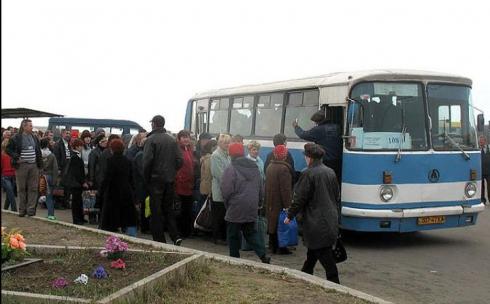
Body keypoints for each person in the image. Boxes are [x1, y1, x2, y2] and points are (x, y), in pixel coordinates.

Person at [284, 143, 340, 284]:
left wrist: (290, 215)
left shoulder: (308, 173)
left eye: (305, 156)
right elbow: (336, 195)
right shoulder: (330, 172)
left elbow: (300, 198)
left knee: (324, 254)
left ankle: (336, 285)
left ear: (309, 158)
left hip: (316, 221)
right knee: (312, 254)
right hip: (330, 218)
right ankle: (305, 276)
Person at [220, 142, 271, 264]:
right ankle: (263, 255)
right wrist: (259, 202)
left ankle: (234, 258)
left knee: (233, 234)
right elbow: (261, 187)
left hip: (236, 206)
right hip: (252, 205)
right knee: (250, 233)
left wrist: (227, 203)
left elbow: (226, 190)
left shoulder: (231, 168)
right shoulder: (255, 168)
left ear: (231, 154)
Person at [143, 115, 183, 245]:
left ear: (154, 124)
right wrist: (172, 171)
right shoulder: (172, 140)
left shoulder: (151, 140)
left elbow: (147, 162)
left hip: (155, 180)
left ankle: (160, 240)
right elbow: (179, 160)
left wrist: (146, 178)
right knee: (168, 209)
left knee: (156, 211)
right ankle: (175, 236)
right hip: (169, 180)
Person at [99, 139, 138, 236]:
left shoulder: (110, 161)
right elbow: (132, 178)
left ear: (112, 149)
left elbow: (107, 178)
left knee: (111, 218)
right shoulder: (128, 161)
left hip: (113, 192)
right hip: (126, 191)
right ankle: (131, 235)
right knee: (128, 216)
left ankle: (111, 236)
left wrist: (101, 191)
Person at [292, 109, 342, 182]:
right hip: (338, 160)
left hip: (326, 160)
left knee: (324, 181)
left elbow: (303, 134)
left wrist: (296, 127)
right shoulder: (337, 127)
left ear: (318, 121)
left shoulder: (318, 130)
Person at [6, 119, 42, 217]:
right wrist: (16, 157)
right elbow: (8, 149)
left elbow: (38, 151)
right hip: (22, 166)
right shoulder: (16, 137)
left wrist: (40, 166)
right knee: (21, 188)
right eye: (30, 126)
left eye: (32, 125)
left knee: (33, 188)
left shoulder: (34, 137)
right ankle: (22, 210)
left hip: (34, 166)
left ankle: (30, 210)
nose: (32, 127)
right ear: (24, 126)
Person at [266, 145, 293, 254]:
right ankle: (281, 247)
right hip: (279, 201)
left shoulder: (270, 166)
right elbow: (286, 189)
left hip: (270, 199)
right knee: (280, 224)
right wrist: (288, 205)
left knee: (272, 222)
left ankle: (272, 245)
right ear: (284, 156)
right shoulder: (284, 169)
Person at [210, 133, 231, 244]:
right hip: (219, 190)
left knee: (224, 214)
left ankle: (222, 236)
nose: (227, 144)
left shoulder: (227, 155)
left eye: (228, 142)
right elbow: (219, 174)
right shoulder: (216, 155)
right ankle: (217, 237)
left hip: (227, 189)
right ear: (219, 143)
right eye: (225, 142)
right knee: (218, 215)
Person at [175, 130, 196, 238]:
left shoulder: (189, 150)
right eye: (183, 137)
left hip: (189, 185)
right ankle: (179, 232)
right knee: (180, 210)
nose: (186, 139)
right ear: (179, 139)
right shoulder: (177, 150)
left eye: (187, 137)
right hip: (180, 184)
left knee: (187, 209)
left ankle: (186, 231)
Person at [63, 138, 88, 224]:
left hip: (76, 182)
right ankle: (77, 219)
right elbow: (77, 172)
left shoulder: (75, 156)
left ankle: (80, 217)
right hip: (76, 183)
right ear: (77, 147)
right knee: (76, 202)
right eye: (81, 146)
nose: (82, 148)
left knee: (78, 201)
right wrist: (83, 182)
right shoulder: (75, 157)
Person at [132, 137, 149, 233]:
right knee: (143, 206)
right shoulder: (141, 155)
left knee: (143, 206)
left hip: (141, 184)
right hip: (141, 185)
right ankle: (144, 227)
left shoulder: (140, 154)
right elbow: (142, 172)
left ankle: (144, 226)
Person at [53, 129, 73, 209]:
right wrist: (58, 168)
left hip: (68, 168)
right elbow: (56, 157)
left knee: (67, 186)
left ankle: (66, 202)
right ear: (62, 134)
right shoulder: (58, 144)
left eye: (69, 133)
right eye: (66, 133)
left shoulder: (69, 144)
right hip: (61, 167)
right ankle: (58, 203)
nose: (68, 135)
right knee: (59, 186)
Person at [88, 135, 108, 211]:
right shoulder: (94, 152)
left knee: (101, 198)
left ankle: (100, 216)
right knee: (94, 198)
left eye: (106, 141)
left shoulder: (106, 151)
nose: (105, 143)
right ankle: (92, 216)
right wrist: (91, 179)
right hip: (96, 178)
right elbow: (91, 166)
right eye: (103, 141)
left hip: (103, 178)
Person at [40, 138, 59, 220]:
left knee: (34, 195)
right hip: (49, 176)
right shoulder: (52, 155)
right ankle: (51, 214)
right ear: (48, 145)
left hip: (40, 177)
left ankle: (30, 211)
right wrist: (55, 181)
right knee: (49, 197)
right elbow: (55, 169)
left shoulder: (38, 154)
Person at [1, 139, 17, 212]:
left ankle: (5, 209)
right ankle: (15, 210)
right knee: (11, 194)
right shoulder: (2, 155)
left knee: (9, 195)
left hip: (12, 176)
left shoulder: (13, 154)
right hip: (5, 177)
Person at [480, 135, 490, 204]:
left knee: (489, 187)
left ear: (485, 141)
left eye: (481, 141)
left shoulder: (489, 148)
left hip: (489, 171)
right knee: (481, 187)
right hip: (481, 171)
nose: (480, 143)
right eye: (480, 141)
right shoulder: (478, 149)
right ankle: (483, 200)